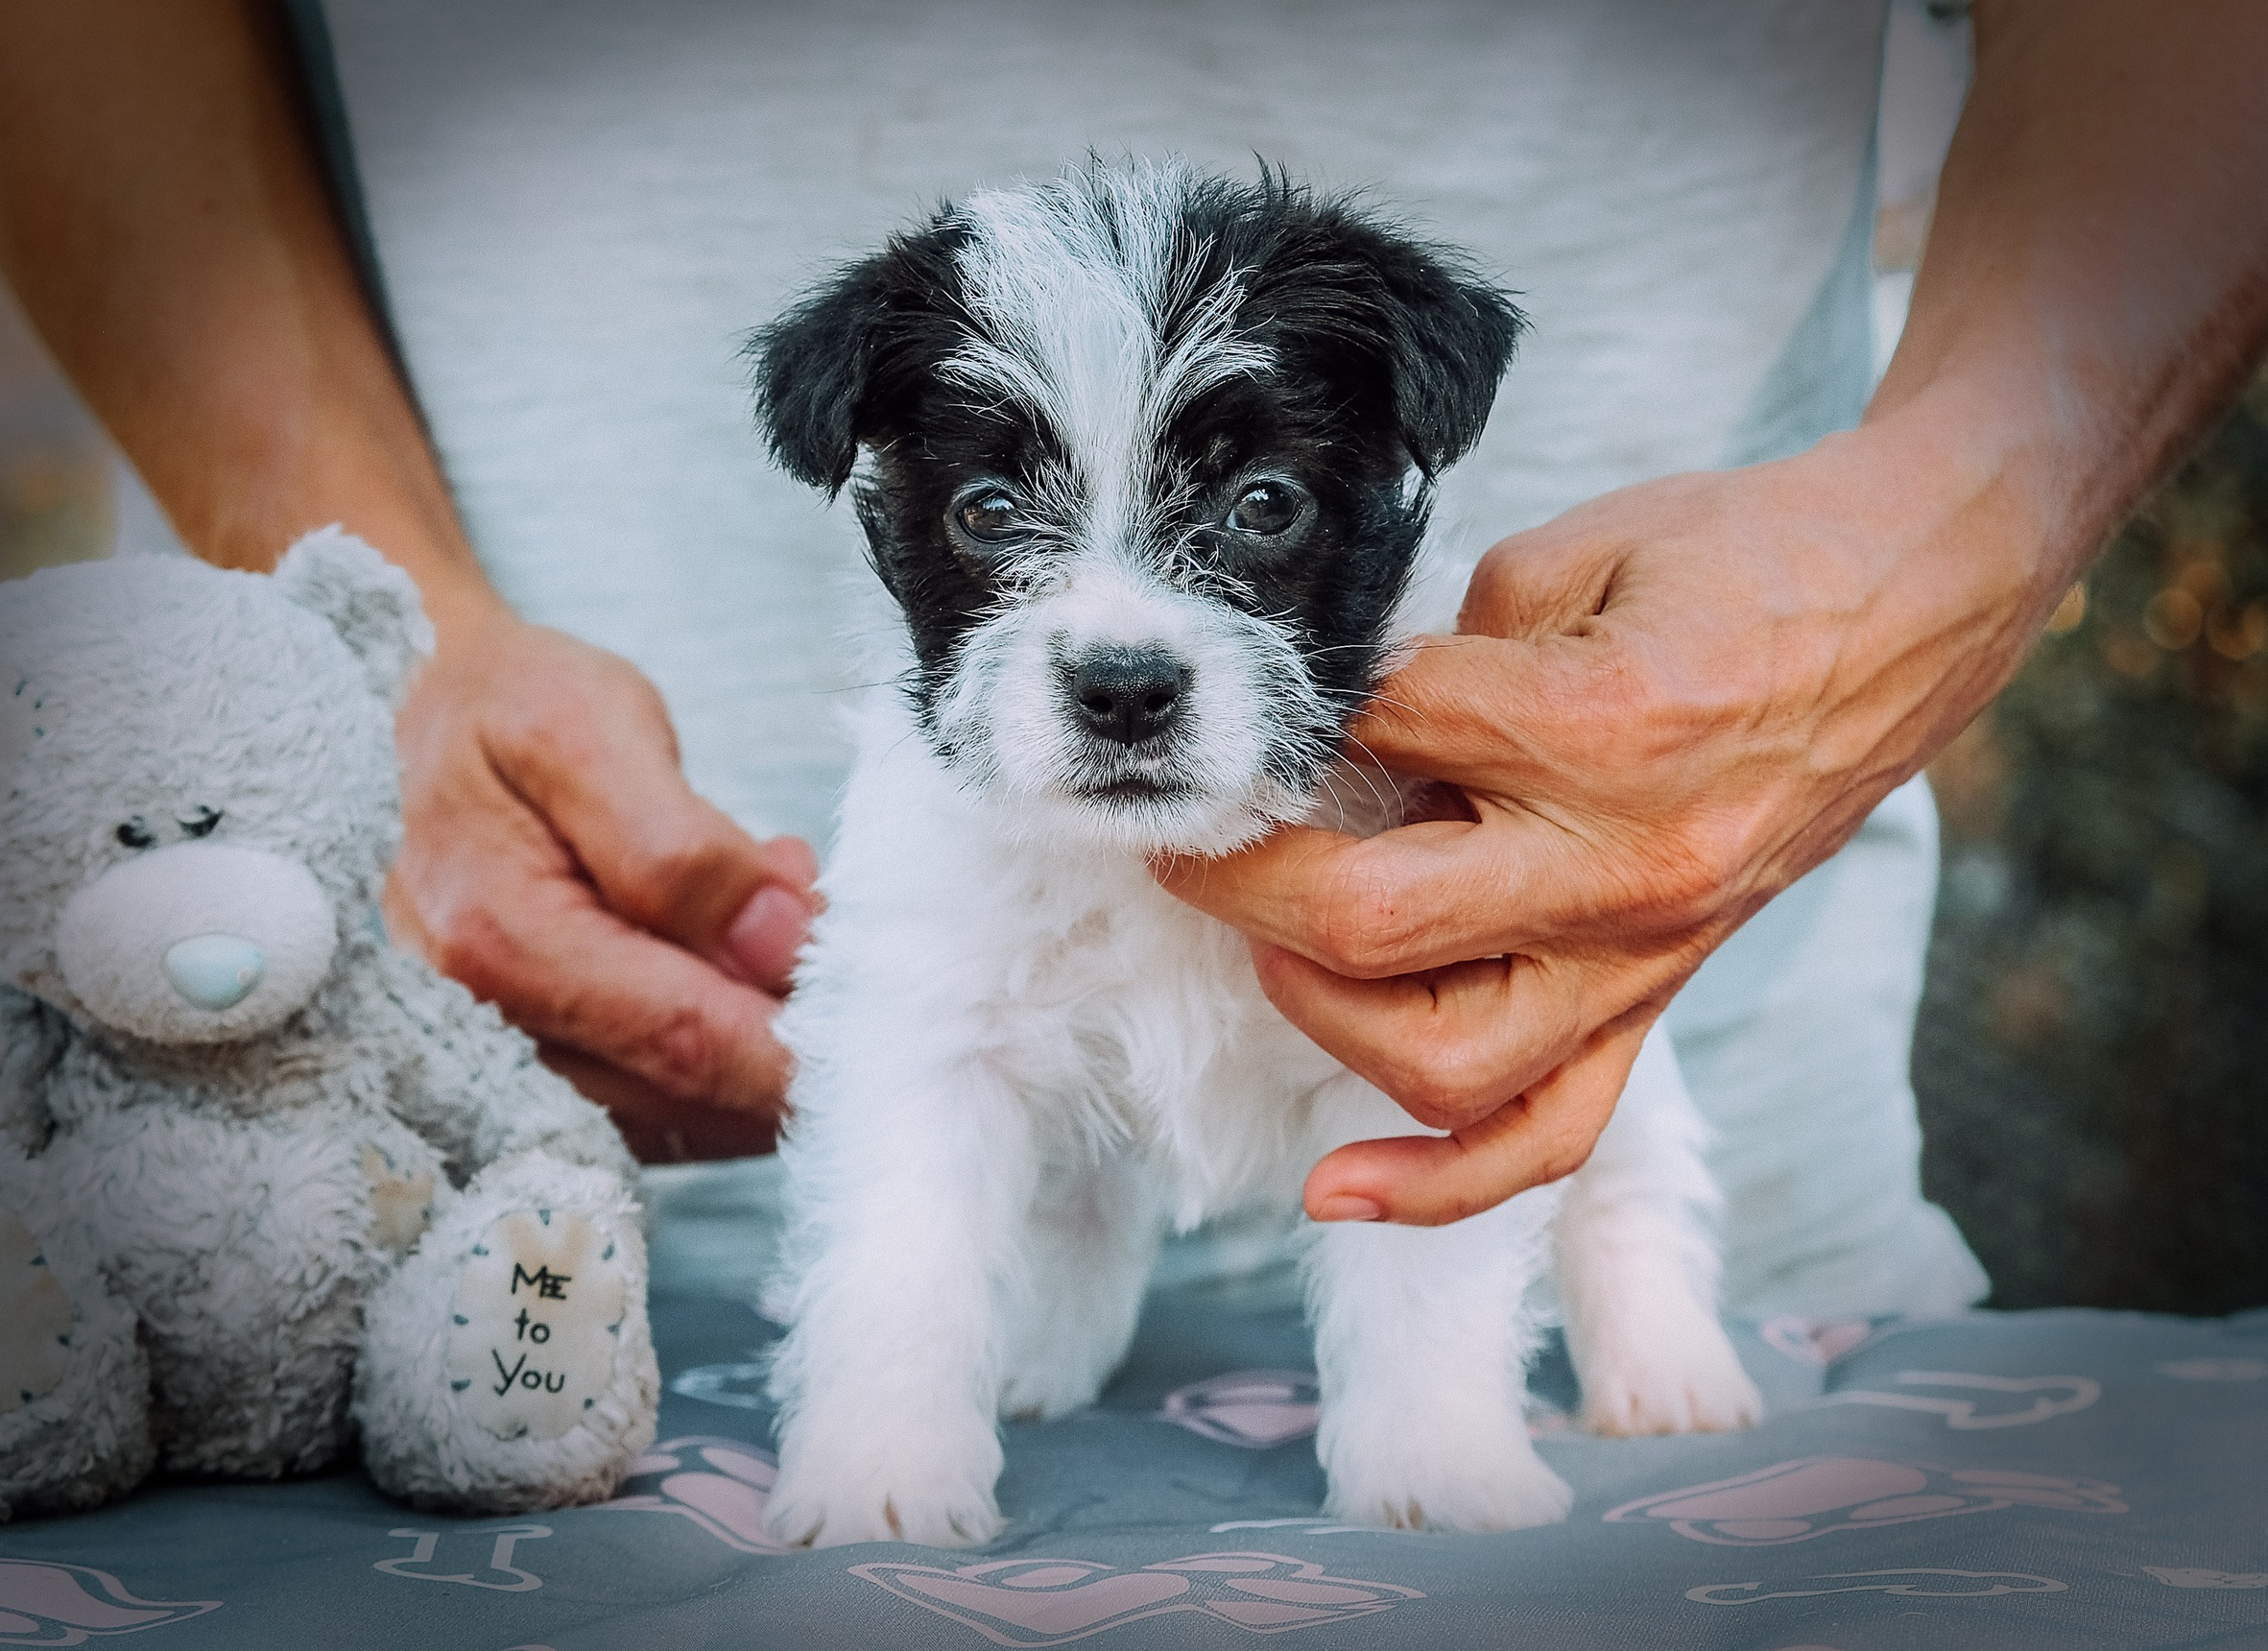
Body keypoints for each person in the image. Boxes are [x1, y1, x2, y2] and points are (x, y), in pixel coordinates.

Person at [2, 1, 2260, 1311]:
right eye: (986, 511)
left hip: (1699, 1154)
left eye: (1255, 509)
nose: (1112, 629)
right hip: (510, 1237)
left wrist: (1949, 521)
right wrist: (363, 637)